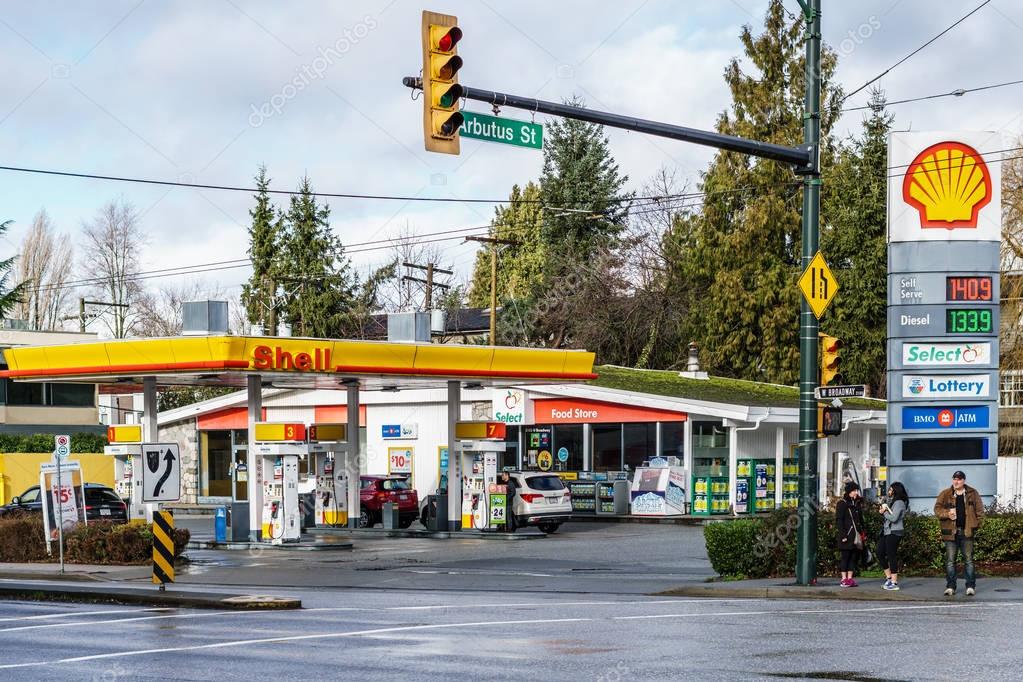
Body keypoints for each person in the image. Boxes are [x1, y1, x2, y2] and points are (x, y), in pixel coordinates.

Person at [934, 470, 984, 597]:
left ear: (963, 481)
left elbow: (980, 511)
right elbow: (937, 509)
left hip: (967, 532)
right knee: (951, 561)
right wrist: (947, 514)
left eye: (959, 479)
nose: (956, 481)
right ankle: (950, 587)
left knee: (968, 560)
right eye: (954, 479)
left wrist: (976, 525)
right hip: (950, 533)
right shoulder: (945, 494)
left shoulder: (973, 493)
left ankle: (970, 586)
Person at [877, 482, 909, 591]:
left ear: (895, 490)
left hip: (895, 532)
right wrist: (884, 509)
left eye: (890, 489)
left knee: (891, 555)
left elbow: (894, 518)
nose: (889, 491)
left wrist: (884, 512)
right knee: (880, 552)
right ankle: (889, 577)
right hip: (887, 531)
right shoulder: (893, 501)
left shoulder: (899, 502)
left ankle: (894, 582)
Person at [836, 481, 865, 587]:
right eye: (853, 491)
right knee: (845, 557)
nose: (855, 493)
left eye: (856, 490)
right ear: (848, 492)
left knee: (853, 558)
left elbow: (860, 520)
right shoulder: (842, 503)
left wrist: (863, 533)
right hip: (846, 535)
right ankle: (843, 579)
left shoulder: (855, 503)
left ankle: (850, 578)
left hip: (855, 536)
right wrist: (843, 535)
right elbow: (839, 520)